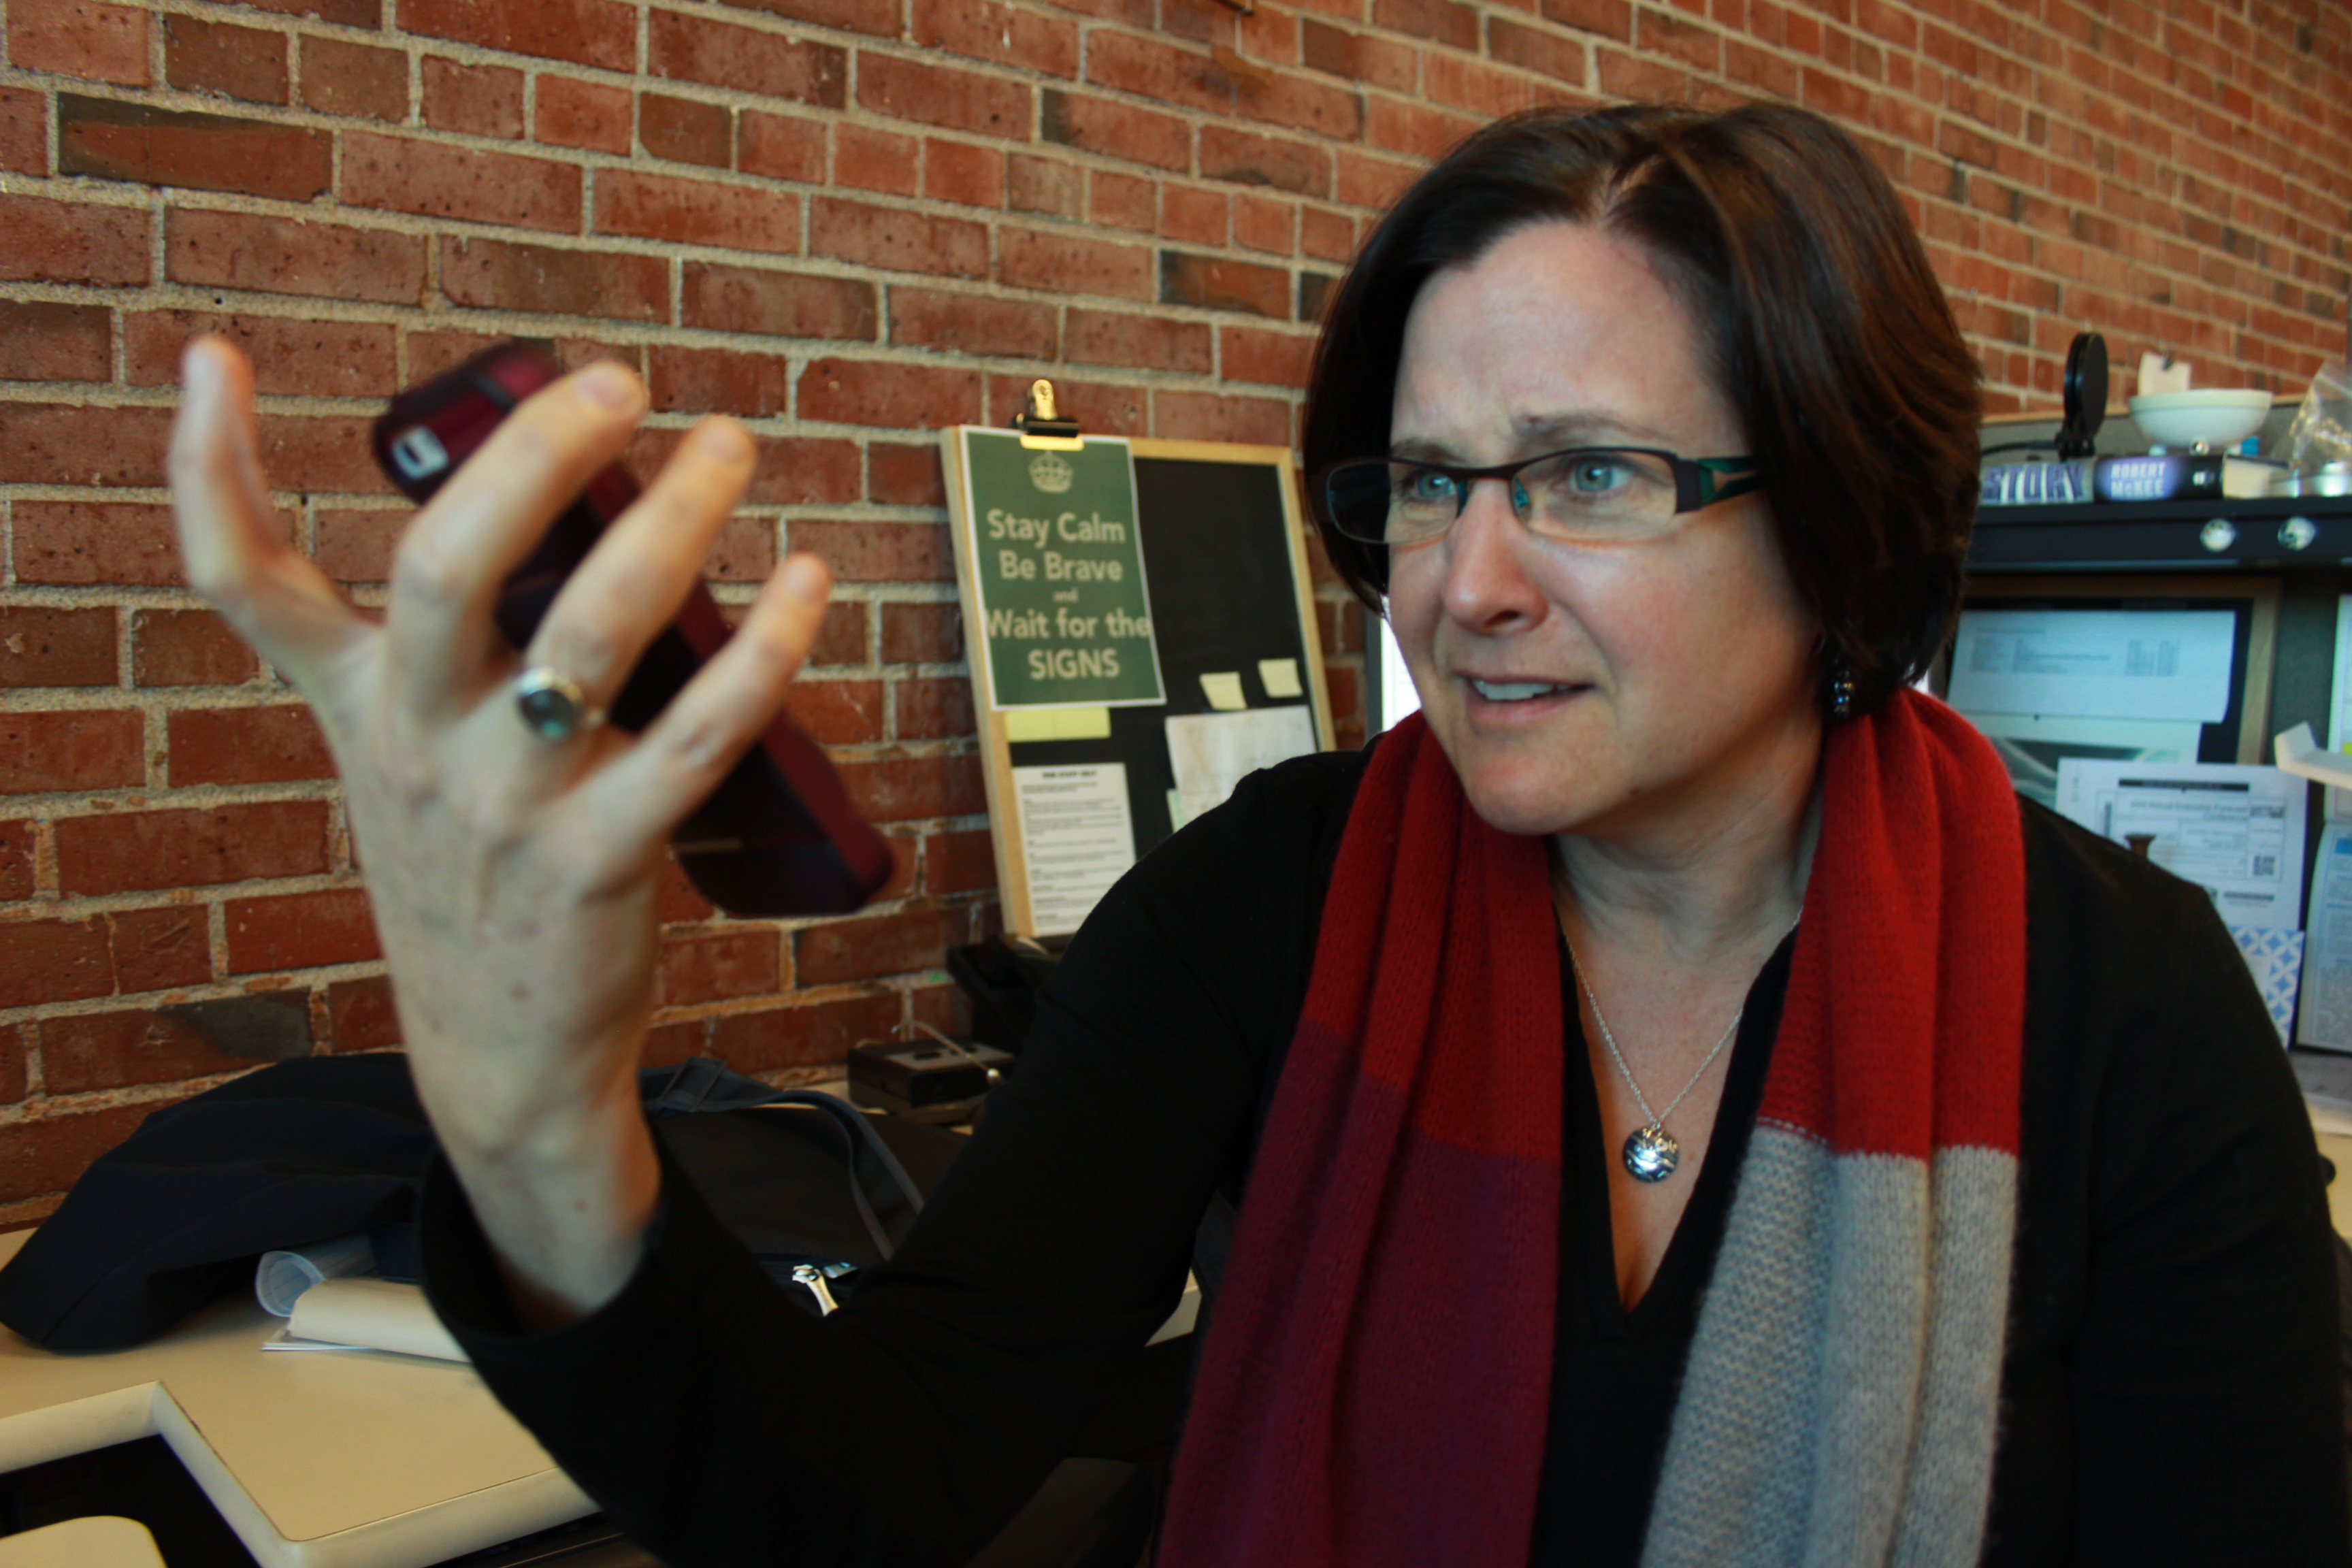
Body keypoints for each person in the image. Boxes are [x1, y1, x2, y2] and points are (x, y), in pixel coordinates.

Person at [167, 102, 2347, 1567]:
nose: (1460, 585)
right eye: (1422, 479)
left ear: (1845, 518)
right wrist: (530, 1123)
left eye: (1590, 478)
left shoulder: (2129, 1003)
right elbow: (875, 1488)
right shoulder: (1269, 900)